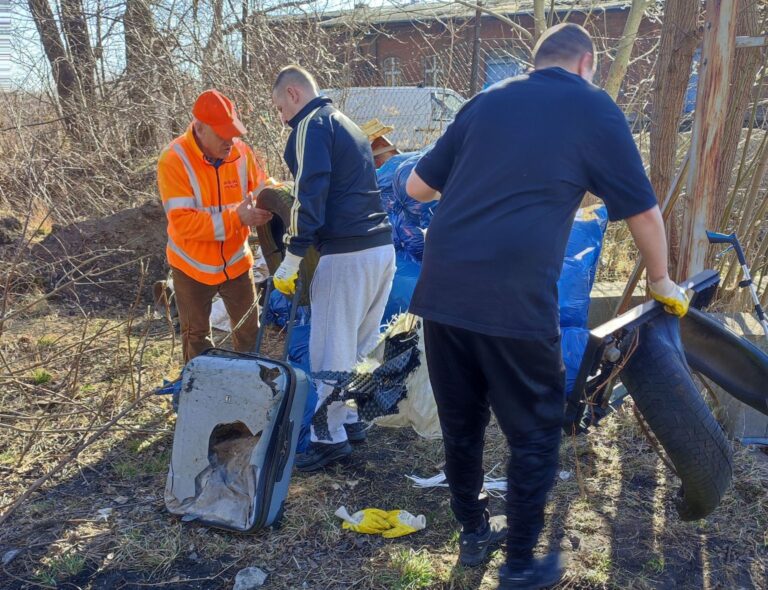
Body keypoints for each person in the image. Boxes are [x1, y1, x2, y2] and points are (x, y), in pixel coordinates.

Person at [405, 24, 689, 590]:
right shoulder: (593, 108)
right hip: (512, 298)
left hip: (441, 292)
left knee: (462, 427)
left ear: (536, 63)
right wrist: (661, 281)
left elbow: (415, 186)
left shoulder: (485, 102)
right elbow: (644, 212)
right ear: (587, 63)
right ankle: (518, 567)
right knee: (534, 432)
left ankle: (473, 533)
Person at [271, 65, 396, 472]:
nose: (281, 118)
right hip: (380, 250)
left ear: (293, 94)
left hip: (346, 256)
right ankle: (351, 421)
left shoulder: (311, 124)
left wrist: (292, 255)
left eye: (279, 108)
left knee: (329, 349)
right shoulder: (350, 126)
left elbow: (310, 194)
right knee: (358, 348)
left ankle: (328, 439)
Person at [157, 89, 274, 363]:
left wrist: (278, 197)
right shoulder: (174, 160)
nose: (230, 141)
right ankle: (199, 389)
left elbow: (262, 188)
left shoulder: (241, 152)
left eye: (233, 133)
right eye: (223, 134)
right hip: (191, 266)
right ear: (199, 128)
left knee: (249, 331)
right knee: (196, 336)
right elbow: (184, 223)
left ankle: (248, 381)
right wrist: (237, 217)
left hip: (235, 260)